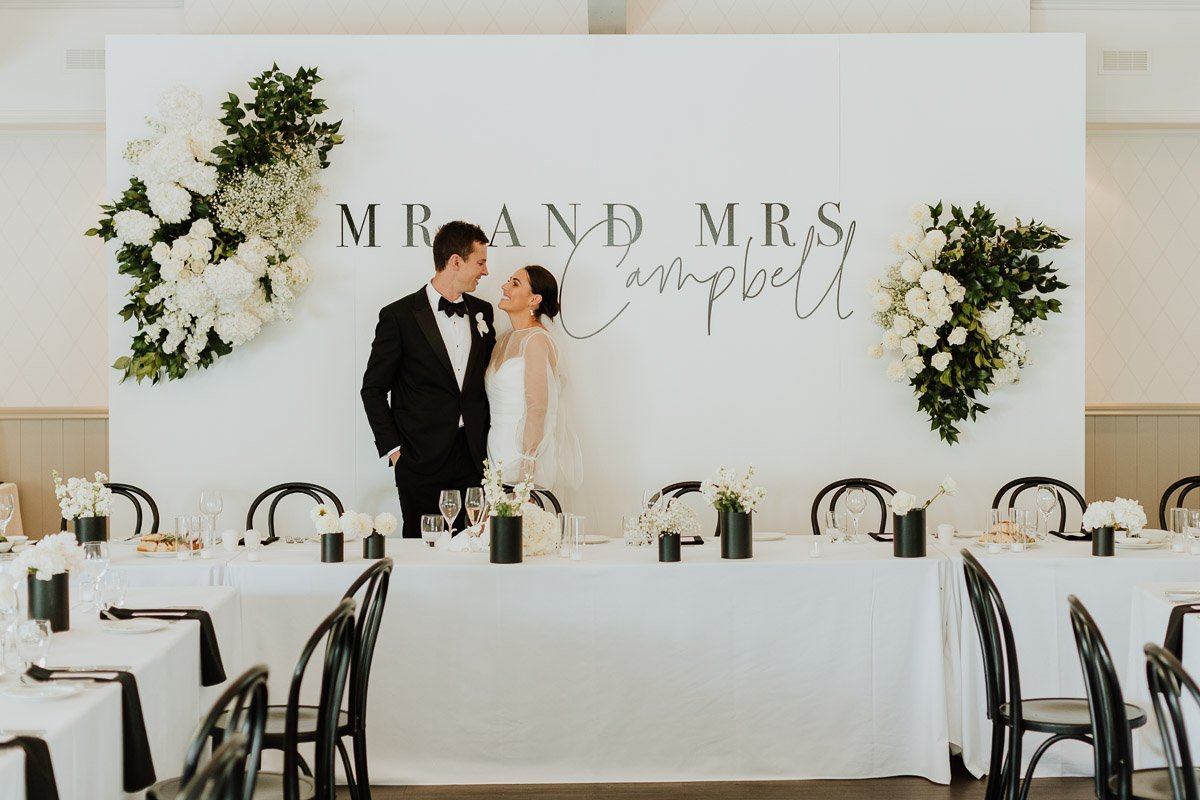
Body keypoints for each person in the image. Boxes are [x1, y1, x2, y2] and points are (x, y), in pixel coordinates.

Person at [361, 221, 495, 538]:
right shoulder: (398, 316)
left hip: (474, 457)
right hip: (419, 459)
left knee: (475, 549)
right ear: (456, 261)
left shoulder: (484, 312)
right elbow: (373, 389)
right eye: (480, 262)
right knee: (423, 550)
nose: (486, 271)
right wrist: (395, 452)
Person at [484, 265, 580, 490]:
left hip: (521, 456)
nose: (504, 286)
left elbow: (538, 408)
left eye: (515, 283)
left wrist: (527, 467)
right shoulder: (504, 339)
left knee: (520, 512)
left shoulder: (536, 340)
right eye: (509, 280)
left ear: (534, 299)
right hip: (496, 449)